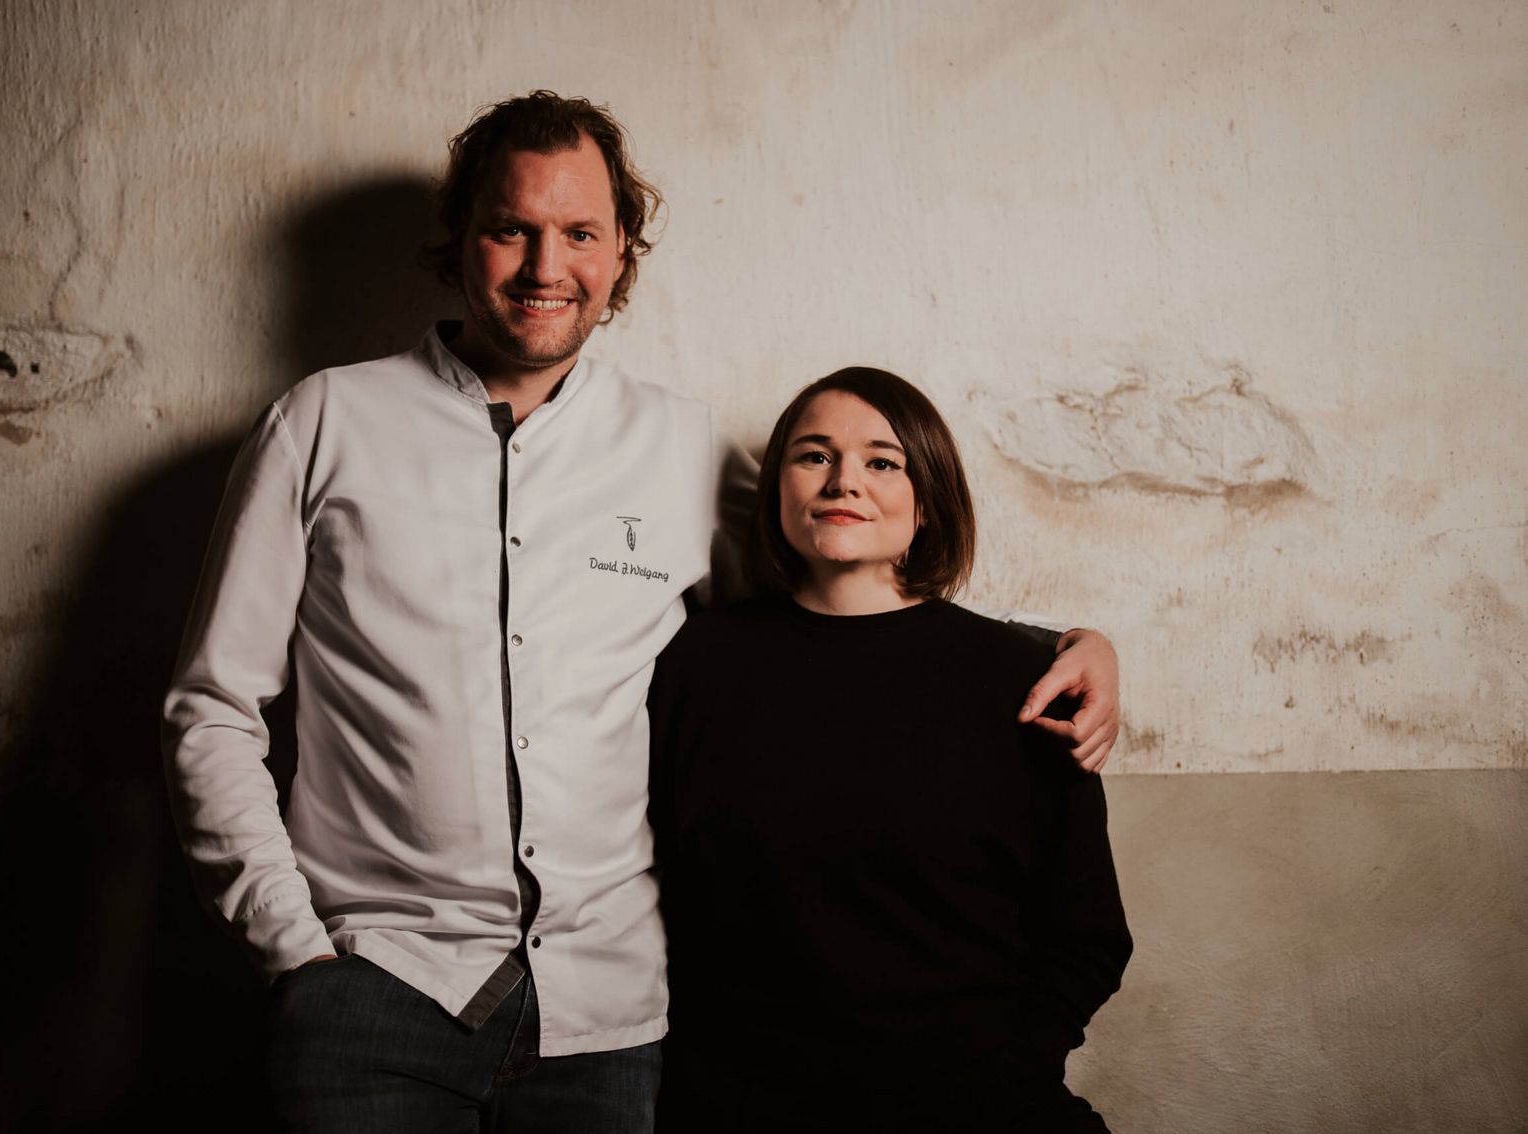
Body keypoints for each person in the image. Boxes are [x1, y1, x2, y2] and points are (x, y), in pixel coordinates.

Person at [161, 92, 1122, 1133]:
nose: (546, 266)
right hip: (376, 994)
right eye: (511, 228)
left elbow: (845, 583)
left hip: (608, 1027)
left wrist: (1060, 645)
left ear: (621, 250)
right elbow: (212, 708)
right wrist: (296, 952)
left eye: (580, 233)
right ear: (461, 236)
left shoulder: (679, 445)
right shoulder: (323, 422)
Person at [649, 367, 1133, 1132]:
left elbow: (1089, 931)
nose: (844, 481)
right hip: (743, 1108)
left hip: (980, 1110)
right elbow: (668, 899)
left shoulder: (1025, 680)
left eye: (882, 461)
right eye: (814, 455)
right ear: (774, 490)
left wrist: (1007, 1074)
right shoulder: (696, 664)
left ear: (928, 500)